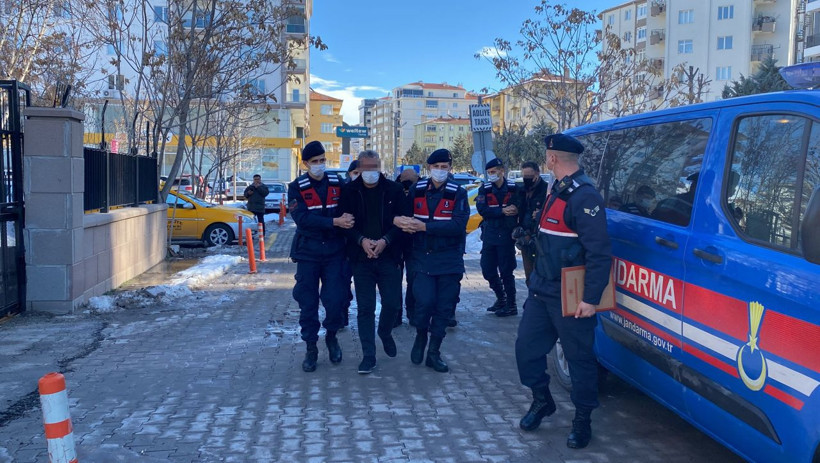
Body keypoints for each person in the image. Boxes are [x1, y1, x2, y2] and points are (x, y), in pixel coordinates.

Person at [515, 133, 612, 449]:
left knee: (580, 360)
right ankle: (542, 400)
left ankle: (582, 420)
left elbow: (598, 253)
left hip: (571, 295)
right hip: (542, 289)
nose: (545, 160)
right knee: (526, 350)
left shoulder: (584, 196)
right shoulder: (555, 190)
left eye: (546, 155)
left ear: (552, 158)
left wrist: (591, 299)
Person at [394, 149, 468, 373]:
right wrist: (401, 222)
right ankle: (420, 336)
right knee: (424, 302)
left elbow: (457, 226)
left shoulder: (458, 193)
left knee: (444, 308)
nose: (440, 171)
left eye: (445, 167)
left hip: (449, 259)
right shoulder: (416, 190)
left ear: (450, 168)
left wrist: (425, 227)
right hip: (422, 258)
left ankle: (434, 352)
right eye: (436, 167)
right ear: (429, 169)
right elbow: (403, 214)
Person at [288, 141, 355, 373]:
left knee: (336, 299)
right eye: (314, 162)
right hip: (308, 252)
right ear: (305, 163)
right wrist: (334, 221)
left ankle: (332, 336)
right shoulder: (296, 187)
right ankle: (311, 347)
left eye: (322, 160)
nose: (319, 165)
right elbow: (302, 219)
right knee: (307, 301)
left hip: (336, 251)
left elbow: (352, 206)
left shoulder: (338, 183)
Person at [339, 150, 408, 374]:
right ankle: (368, 355)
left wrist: (386, 241)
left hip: (388, 256)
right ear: (359, 168)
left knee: (393, 304)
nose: (371, 172)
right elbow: (344, 224)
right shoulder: (349, 191)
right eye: (367, 167)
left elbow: (403, 223)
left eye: (375, 167)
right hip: (361, 259)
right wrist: (361, 241)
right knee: (365, 308)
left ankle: (385, 332)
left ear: (380, 166)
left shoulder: (394, 190)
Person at [476, 158, 519, 317]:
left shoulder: (514, 188)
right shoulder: (485, 189)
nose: (491, 175)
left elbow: (520, 206)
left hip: (506, 235)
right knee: (487, 269)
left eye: (494, 172)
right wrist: (502, 211)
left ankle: (511, 304)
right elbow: (482, 209)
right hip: (490, 234)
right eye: (489, 173)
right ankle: (501, 298)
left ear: (502, 171)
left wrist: (515, 209)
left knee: (507, 271)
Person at [515, 161, 549, 285]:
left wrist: (541, 213)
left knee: (541, 275)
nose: (527, 179)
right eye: (525, 177)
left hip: (540, 238)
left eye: (530, 177)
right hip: (525, 238)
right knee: (529, 277)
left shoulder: (546, 190)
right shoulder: (521, 190)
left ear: (537, 174)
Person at [396, 168, 420, 327]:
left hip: (414, 243)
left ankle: (412, 312)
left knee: (414, 279)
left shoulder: (421, 191)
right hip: (396, 243)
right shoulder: (394, 191)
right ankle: (395, 314)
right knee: (394, 280)